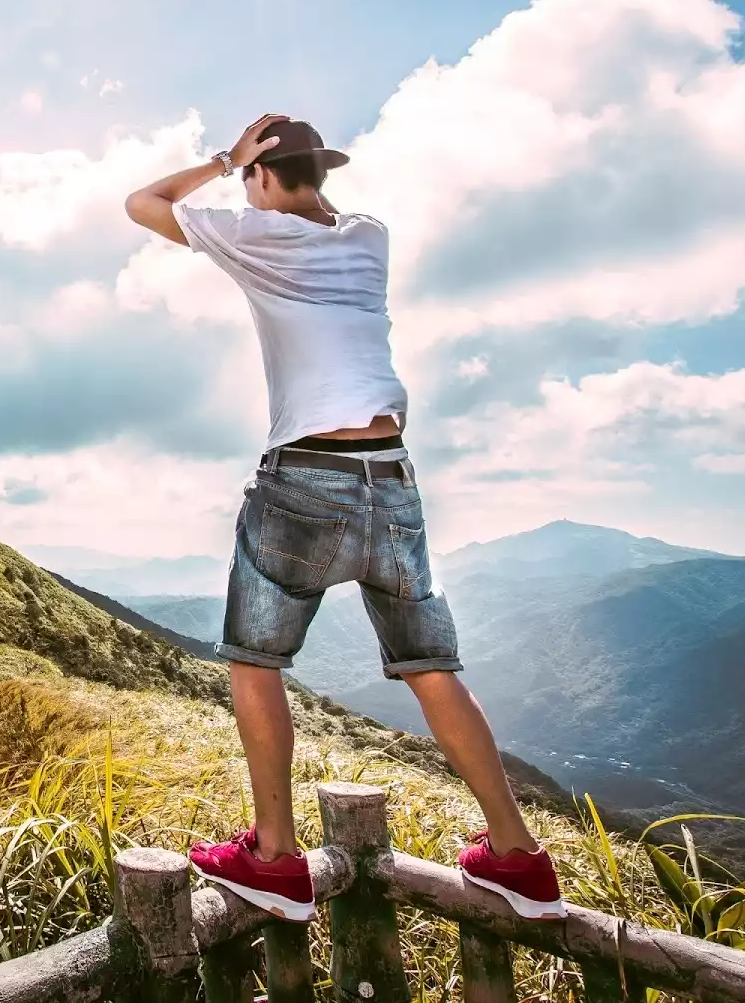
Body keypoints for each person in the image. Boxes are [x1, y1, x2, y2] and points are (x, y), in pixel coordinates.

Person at [123, 114, 564, 922]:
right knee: (431, 667)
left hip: (305, 476)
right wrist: (259, 168)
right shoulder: (369, 237)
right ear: (319, 171)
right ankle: (518, 857)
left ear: (262, 176)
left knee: (255, 661)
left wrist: (222, 159)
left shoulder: (254, 234)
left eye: (250, 176)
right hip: (391, 477)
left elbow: (143, 204)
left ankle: (274, 858)